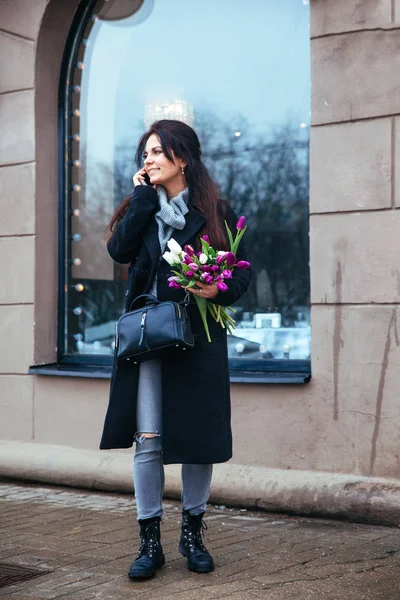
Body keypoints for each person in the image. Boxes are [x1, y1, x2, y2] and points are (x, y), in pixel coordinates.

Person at [100, 119, 252, 580]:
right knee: (148, 441)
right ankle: (150, 542)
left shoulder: (216, 211)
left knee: (197, 441)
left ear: (181, 158)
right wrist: (144, 200)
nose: (147, 160)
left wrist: (215, 289)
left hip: (198, 339)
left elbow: (241, 274)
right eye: (144, 154)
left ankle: (193, 534)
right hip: (149, 339)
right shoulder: (139, 207)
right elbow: (119, 252)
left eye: (156, 152)